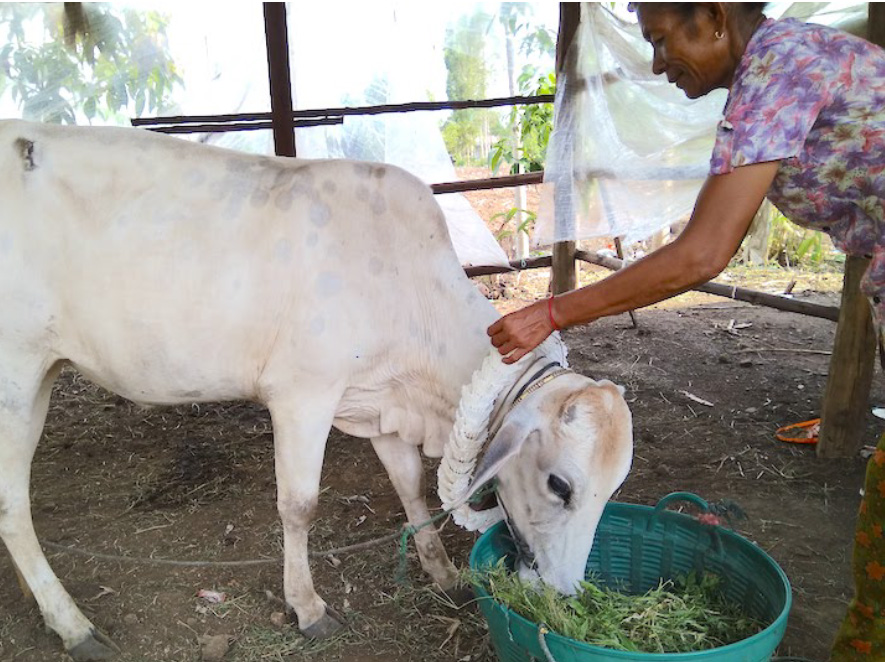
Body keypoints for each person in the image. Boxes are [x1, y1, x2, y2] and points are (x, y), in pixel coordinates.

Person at [486, 3, 884, 659]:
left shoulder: (781, 68)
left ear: (715, 16)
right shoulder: (772, 70)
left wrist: (550, 313)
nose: (655, 62)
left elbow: (702, 252)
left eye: (662, 38)